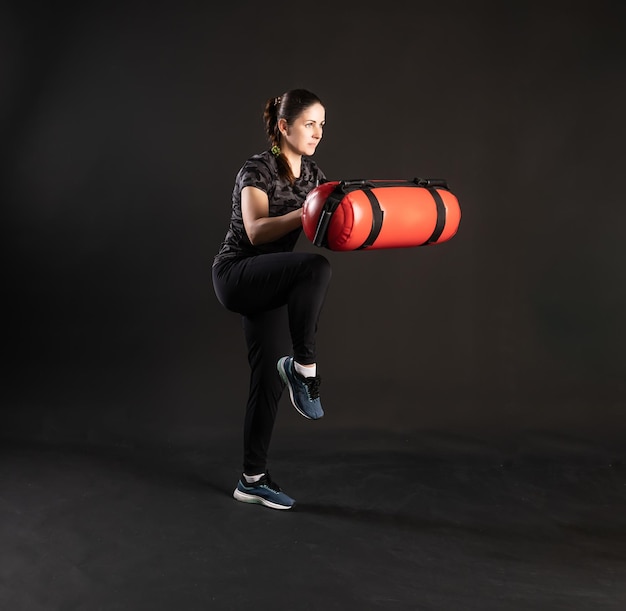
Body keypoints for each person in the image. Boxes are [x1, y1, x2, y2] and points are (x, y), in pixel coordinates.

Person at [211, 89, 332, 511]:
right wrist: (306, 214)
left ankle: (252, 479)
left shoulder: (314, 175)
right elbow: (257, 231)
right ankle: (304, 368)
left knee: (266, 382)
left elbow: (328, 228)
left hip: (274, 280)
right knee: (314, 268)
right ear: (284, 126)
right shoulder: (258, 168)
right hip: (238, 272)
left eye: (322, 124)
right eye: (309, 123)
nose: (318, 132)